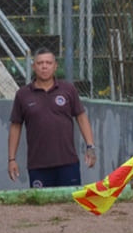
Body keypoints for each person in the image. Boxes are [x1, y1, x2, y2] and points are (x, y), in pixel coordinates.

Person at [8, 48, 96, 188]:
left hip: (68, 163)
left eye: (48, 63)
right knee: (42, 208)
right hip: (38, 166)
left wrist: (90, 147)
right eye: (40, 63)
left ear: (55, 66)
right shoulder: (23, 95)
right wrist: (11, 159)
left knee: (70, 206)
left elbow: (81, 117)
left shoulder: (68, 90)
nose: (44, 66)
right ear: (33, 66)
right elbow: (15, 126)